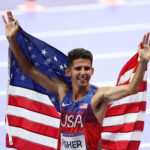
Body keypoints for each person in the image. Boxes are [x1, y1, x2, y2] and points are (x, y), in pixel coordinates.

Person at [2, 11, 150, 150]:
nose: (83, 73)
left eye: (87, 68)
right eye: (78, 69)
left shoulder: (99, 95)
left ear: (92, 71)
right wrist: (12, 39)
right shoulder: (62, 90)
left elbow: (131, 89)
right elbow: (28, 69)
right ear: (68, 72)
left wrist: (143, 61)